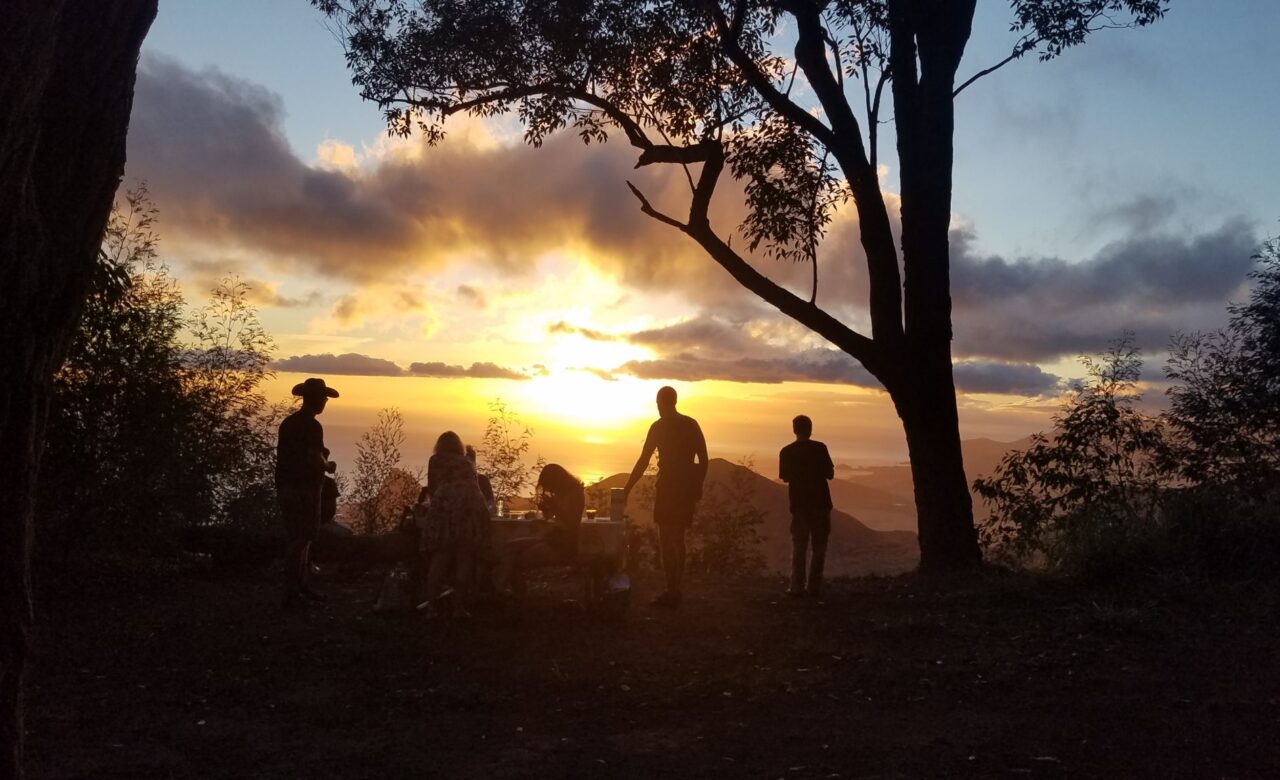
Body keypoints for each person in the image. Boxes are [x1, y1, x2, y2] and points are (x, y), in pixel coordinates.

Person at [623, 386, 708, 608]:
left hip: (669, 487)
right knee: (678, 539)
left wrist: (627, 487)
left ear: (661, 402)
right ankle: (675, 589)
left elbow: (643, 461)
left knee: (666, 540)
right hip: (686, 488)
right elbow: (704, 459)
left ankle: (672, 592)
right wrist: (697, 485)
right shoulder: (691, 424)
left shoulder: (659, 427)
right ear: (675, 401)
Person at [276, 377, 338, 609]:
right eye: (323, 398)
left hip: (286, 485)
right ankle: (292, 591)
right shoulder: (312, 426)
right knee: (304, 537)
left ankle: (299, 586)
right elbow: (314, 457)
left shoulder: (289, 423)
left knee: (297, 536)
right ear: (316, 400)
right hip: (305, 488)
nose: (325, 402)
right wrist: (327, 466)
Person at [420, 431, 490, 617]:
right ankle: (458, 608)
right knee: (464, 557)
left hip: (448, 507)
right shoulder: (467, 461)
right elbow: (475, 485)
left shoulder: (436, 460)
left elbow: (433, 488)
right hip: (472, 507)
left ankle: (432, 608)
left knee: (440, 556)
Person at [492, 463, 585, 594]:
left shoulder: (575, 493)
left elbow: (571, 523)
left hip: (563, 545)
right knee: (511, 547)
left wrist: (554, 506)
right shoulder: (561, 492)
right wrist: (546, 507)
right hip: (552, 539)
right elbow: (550, 516)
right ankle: (506, 589)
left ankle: (503, 591)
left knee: (517, 559)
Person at [778, 414, 834, 597]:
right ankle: (814, 587)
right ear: (810, 429)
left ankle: (797, 587)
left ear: (794, 430)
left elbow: (785, 477)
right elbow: (830, 474)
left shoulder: (786, 452)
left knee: (799, 545)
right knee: (819, 546)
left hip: (799, 503)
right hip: (821, 503)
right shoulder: (820, 448)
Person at [465, 445, 496, 514]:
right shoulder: (452, 483)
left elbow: (491, 505)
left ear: (474, 463)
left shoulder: (483, 480)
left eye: (468, 463)